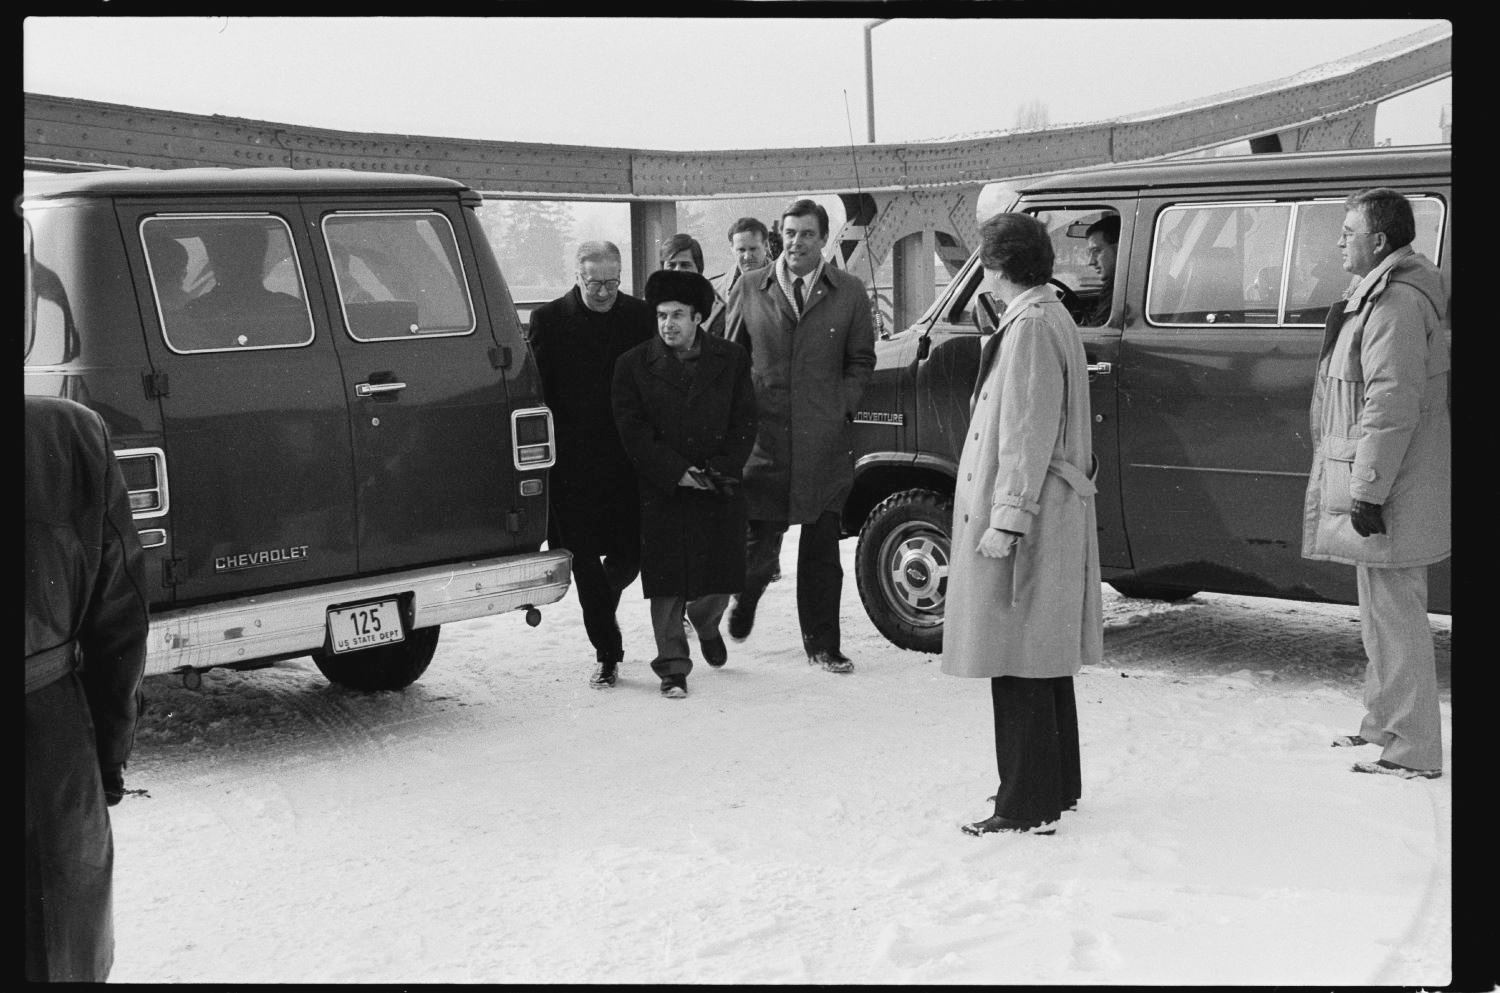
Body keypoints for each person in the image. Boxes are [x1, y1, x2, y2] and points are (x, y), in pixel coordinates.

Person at [941, 212, 1102, 836]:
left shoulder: (1030, 324)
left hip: (1029, 513)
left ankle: (1026, 801)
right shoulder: (1043, 314)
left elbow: (1028, 434)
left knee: (1019, 653)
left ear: (997, 265)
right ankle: (1052, 784)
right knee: (1038, 651)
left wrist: (1007, 519)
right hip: (1047, 507)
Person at [1304, 188, 1450, 780]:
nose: (1340, 240)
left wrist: (1367, 489)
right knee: (1378, 612)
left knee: (1396, 617)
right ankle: (1384, 724)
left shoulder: (1393, 304)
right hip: (1388, 480)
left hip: (1391, 486)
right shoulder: (1378, 296)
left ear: (1380, 242)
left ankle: (1413, 749)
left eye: (1348, 231)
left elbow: (1391, 403)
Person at [26, 395, 149, 981]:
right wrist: (107, 758)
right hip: (49, 744)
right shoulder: (71, 435)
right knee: (58, 946)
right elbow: (119, 620)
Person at [724, 198, 876, 673]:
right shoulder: (751, 288)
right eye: (789, 234)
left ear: (823, 239)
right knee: (759, 547)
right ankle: (745, 599)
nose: (795, 243)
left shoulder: (849, 292)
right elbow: (729, 360)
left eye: (806, 234)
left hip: (822, 441)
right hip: (764, 442)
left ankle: (822, 645)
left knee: (821, 549)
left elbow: (861, 361)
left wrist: (840, 407)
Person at [612, 269, 757, 698]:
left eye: (677, 315)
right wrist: (676, 472)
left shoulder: (731, 359)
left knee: (723, 576)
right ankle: (672, 666)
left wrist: (719, 468)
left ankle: (707, 622)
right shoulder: (633, 365)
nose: (668, 325)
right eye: (661, 316)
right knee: (667, 581)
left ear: (698, 318)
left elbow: (745, 421)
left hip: (718, 483)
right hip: (664, 489)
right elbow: (632, 429)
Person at [528, 241, 656, 688]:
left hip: (627, 460)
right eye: (594, 283)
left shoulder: (640, 317)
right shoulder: (548, 321)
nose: (604, 292)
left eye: (612, 282)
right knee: (582, 559)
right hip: (573, 465)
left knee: (630, 554)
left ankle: (603, 598)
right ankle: (608, 651)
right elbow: (539, 392)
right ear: (577, 277)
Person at [705, 217, 773, 340]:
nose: (747, 256)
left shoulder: (785, 283)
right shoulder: (715, 290)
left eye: (753, 249)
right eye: (741, 250)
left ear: (766, 245)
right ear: (731, 249)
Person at [659, 233, 726, 338]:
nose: (677, 271)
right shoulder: (648, 309)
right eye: (671, 265)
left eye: (685, 265)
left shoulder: (721, 313)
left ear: (699, 269)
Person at [1081, 214, 1120, 327]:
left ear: (1119, 249)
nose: (1091, 262)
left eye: (1097, 251)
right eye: (1090, 253)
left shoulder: (1117, 287)